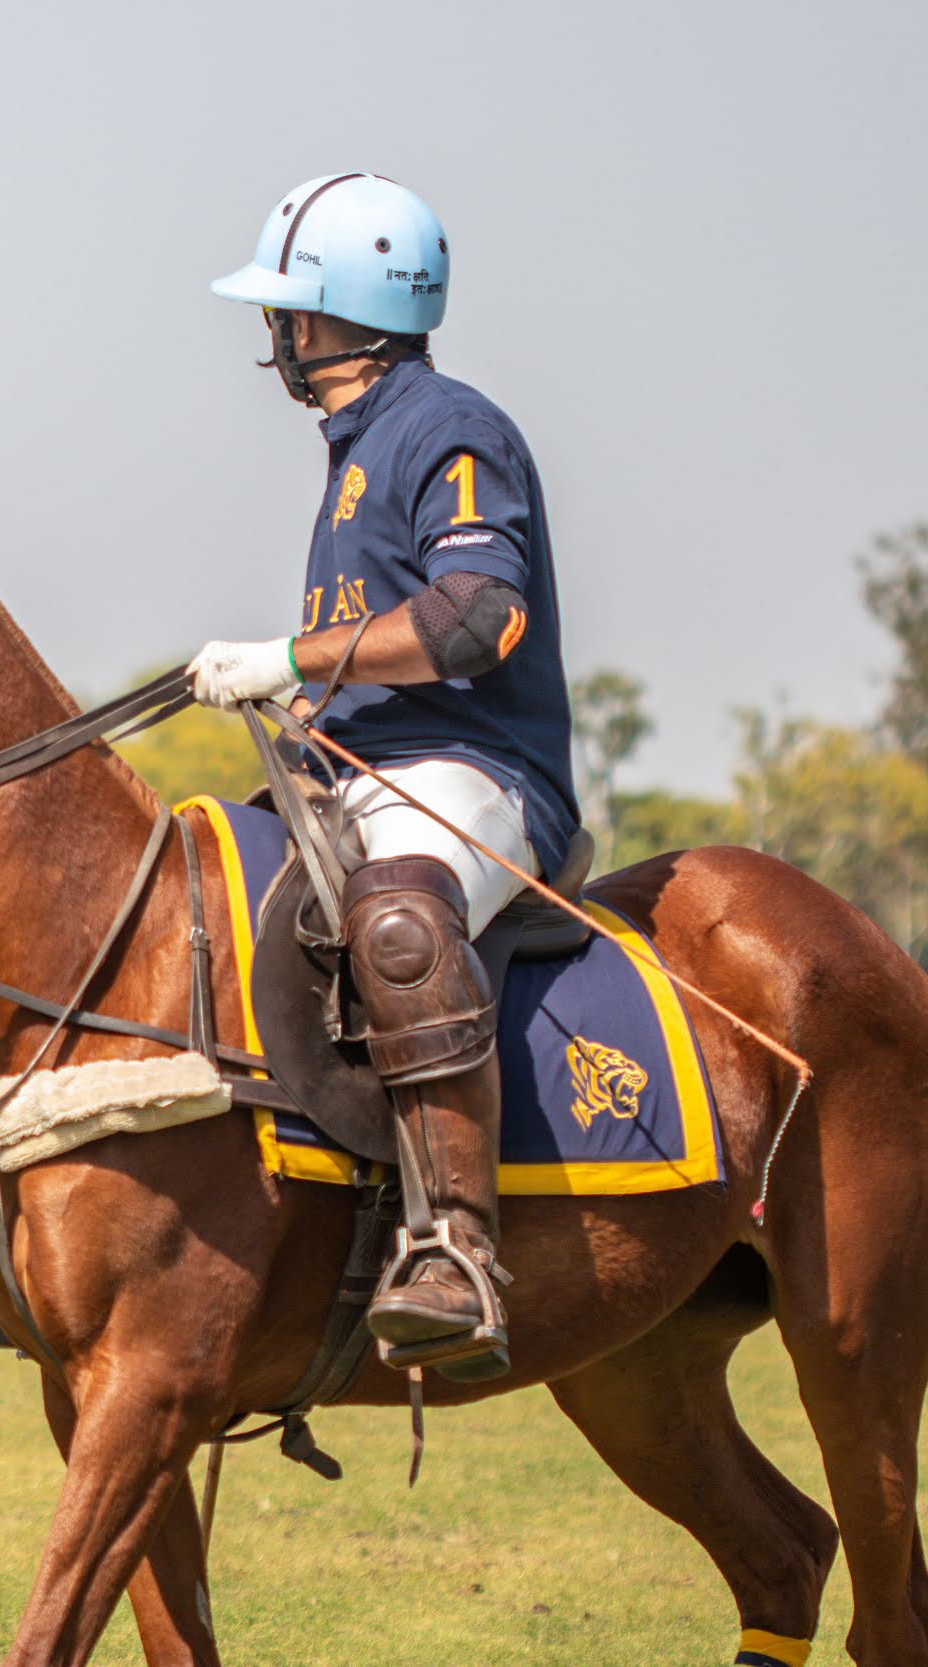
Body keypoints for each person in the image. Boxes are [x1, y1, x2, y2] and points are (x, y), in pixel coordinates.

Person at [188, 173, 579, 1381]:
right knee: (194, 899)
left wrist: (287, 655)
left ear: (320, 319)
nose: (274, 340)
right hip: (361, 772)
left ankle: (455, 1249)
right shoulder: (352, 449)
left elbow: (473, 620)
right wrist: (309, 699)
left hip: (480, 776)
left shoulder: (450, 427)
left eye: (282, 316)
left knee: (399, 919)